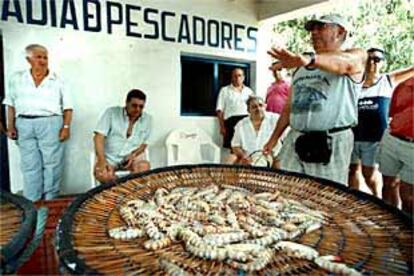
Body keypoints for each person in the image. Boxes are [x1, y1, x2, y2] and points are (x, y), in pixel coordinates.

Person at [263, 14, 367, 185]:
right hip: (296, 138)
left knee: (324, 195)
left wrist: (309, 59)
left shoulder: (355, 56)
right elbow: (290, 108)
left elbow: (346, 63)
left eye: (321, 27)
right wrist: (273, 139)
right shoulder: (301, 68)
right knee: (287, 189)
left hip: (330, 141)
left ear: (340, 31)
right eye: (312, 29)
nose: (314, 32)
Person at [3, 44, 73, 201]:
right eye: (38, 57)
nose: (43, 61)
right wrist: (10, 125)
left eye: (45, 57)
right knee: (29, 165)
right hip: (24, 125)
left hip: (50, 123)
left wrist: (66, 127)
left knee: (52, 164)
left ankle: (50, 199)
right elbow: (10, 104)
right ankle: (32, 201)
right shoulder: (17, 78)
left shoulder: (58, 80)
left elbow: (68, 107)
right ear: (29, 59)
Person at [349, 48, 414, 196]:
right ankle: (356, 203)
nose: (372, 62)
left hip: (375, 139)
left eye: (377, 59)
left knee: (370, 175)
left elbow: (412, 70)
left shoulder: (387, 81)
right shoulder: (354, 83)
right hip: (353, 136)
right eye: (369, 59)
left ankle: (377, 200)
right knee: (352, 172)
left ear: (383, 63)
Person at [94, 89, 152, 183]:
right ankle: (121, 190)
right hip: (109, 157)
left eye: (141, 107)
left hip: (131, 157)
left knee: (144, 168)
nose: (137, 109)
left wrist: (134, 155)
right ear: (126, 103)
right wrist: (101, 160)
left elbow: (144, 144)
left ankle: (130, 192)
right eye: (134, 105)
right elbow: (98, 137)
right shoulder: (111, 113)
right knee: (104, 175)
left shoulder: (148, 119)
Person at [377, 77, 414, 214]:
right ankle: (389, 225)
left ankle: (407, 231)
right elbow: (394, 113)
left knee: (409, 197)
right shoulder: (404, 85)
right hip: (392, 139)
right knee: (388, 185)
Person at [227, 96, 282, 168]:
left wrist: (274, 154)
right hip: (248, 158)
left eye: (260, 105)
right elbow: (235, 145)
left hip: (270, 157)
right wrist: (243, 156)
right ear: (248, 110)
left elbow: (286, 138)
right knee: (229, 161)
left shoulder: (275, 119)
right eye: (254, 107)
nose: (258, 109)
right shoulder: (241, 124)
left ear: (265, 106)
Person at [216, 68, 254, 149]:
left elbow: (253, 108)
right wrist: (222, 127)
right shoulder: (225, 90)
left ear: (243, 77)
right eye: (235, 76)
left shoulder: (249, 91)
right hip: (231, 123)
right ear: (231, 77)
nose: (237, 78)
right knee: (232, 149)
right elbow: (220, 110)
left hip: (246, 122)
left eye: (239, 76)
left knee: (245, 148)